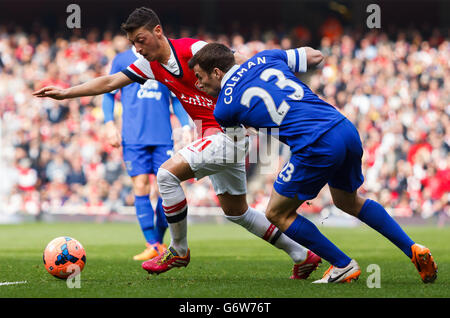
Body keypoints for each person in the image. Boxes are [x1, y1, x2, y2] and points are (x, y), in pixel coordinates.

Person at [33, 7, 321, 280]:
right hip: (217, 137)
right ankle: (302, 255)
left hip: (227, 133)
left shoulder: (193, 50)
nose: (138, 49)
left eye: (141, 40)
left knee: (166, 175)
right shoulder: (150, 65)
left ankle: (179, 251)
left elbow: (238, 63)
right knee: (238, 213)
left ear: (158, 31)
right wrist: (66, 92)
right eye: (133, 43)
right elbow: (109, 83)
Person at [188, 43, 438, 284]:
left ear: (218, 72)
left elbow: (236, 148)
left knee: (276, 212)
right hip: (344, 129)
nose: (198, 84)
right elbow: (316, 56)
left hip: (315, 143)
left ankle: (343, 264)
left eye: (200, 77)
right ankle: (413, 248)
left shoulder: (223, 108)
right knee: (347, 201)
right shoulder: (266, 57)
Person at [102, 44, 191, 260]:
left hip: (163, 136)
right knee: (140, 186)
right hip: (133, 137)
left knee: (166, 188)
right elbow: (108, 93)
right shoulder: (122, 59)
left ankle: (158, 243)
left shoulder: (162, 58)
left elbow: (176, 98)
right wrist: (109, 124)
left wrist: (186, 126)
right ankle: (152, 243)